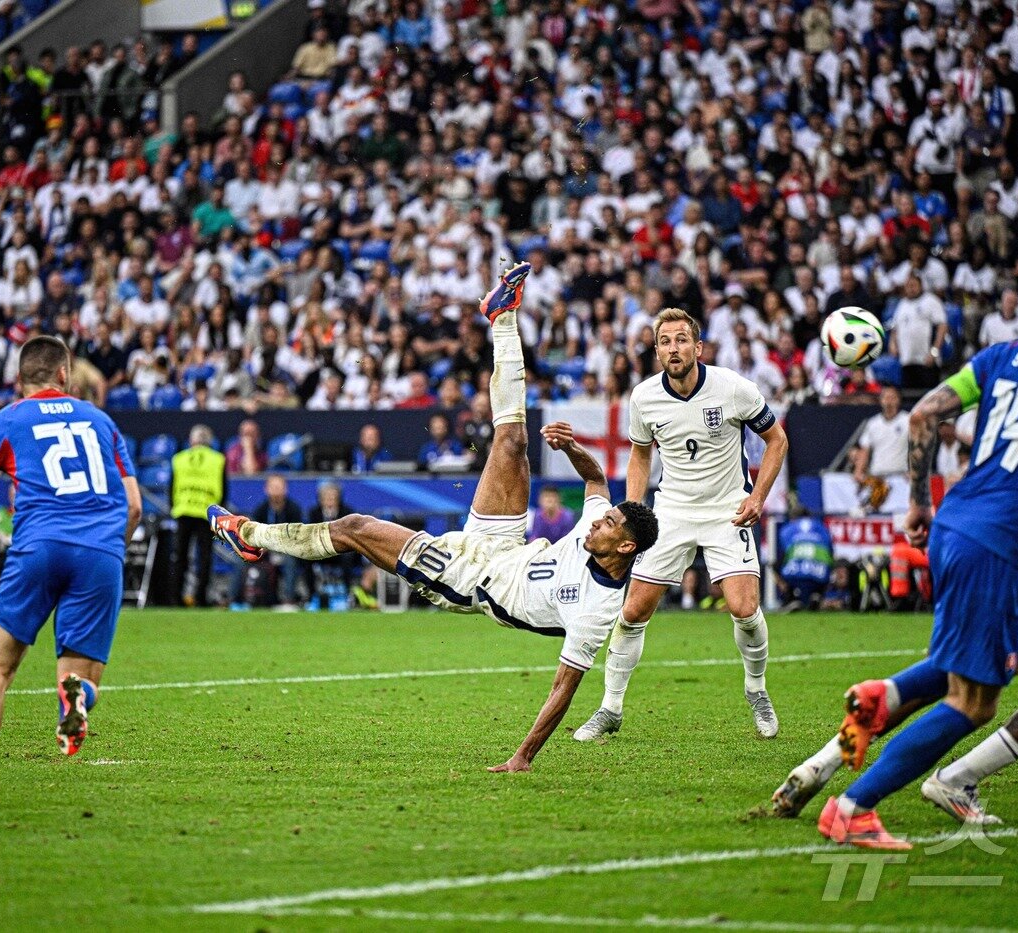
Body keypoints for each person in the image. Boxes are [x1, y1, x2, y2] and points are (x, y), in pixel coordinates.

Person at [211, 265, 659, 771]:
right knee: (512, 440)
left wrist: (522, 758)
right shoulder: (597, 528)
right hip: (506, 543)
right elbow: (597, 483)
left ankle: (248, 534)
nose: (596, 522)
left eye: (608, 526)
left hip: (472, 580)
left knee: (357, 528)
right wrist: (573, 449)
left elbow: (562, 690)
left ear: (624, 548)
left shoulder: (597, 610)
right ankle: (502, 317)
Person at [811, 266, 1018, 848]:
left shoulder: (1000, 355)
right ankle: (852, 807)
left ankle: (879, 700)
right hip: (999, 543)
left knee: (1009, 657)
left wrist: (918, 503)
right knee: (973, 703)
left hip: (954, 524)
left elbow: (923, 414)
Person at [0, 336, 142, 809]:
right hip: (99, 552)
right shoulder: (101, 421)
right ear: (65, 374)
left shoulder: (5, 422)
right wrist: (108, 554)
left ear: (19, 379)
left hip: (37, 548)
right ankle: (77, 702)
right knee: (79, 678)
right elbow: (134, 506)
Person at [572, 307, 789, 743]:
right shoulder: (644, 397)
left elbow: (776, 440)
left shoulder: (733, 388)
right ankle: (610, 708)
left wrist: (757, 496)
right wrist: (633, 510)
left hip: (728, 509)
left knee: (745, 609)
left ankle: (757, 690)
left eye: (682, 340)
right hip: (670, 511)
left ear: (698, 347)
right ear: (657, 351)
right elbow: (639, 453)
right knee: (632, 612)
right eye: (666, 342)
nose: (674, 348)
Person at [170, 425, 227, 608]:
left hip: (183, 511)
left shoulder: (178, 459)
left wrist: (175, 506)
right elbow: (224, 489)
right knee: (205, 558)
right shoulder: (218, 460)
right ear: (210, 442)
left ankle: (175, 598)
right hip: (206, 513)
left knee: (180, 558)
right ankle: (201, 599)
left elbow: (171, 487)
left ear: (191, 440)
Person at [241, 474, 305, 608]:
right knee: (241, 559)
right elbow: (253, 534)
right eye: (273, 487)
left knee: (290, 560)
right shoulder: (261, 510)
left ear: (285, 489)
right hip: (265, 551)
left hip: (286, 551)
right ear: (266, 489)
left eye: (279, 487)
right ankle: (237, 599)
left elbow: (296, 536)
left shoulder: (294, 509)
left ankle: (289, 600)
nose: (276, 491)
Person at [851, 385, 909, 482]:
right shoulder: (873, 423)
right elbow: (865, 450)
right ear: (881, 400)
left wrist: (915, 471)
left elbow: (917, 447)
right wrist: (858, 470)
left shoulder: (908, 420)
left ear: (898, 400)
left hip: (901, 477)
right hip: (877, 477)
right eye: (886, 398)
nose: (889, 401)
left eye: (892, 398)